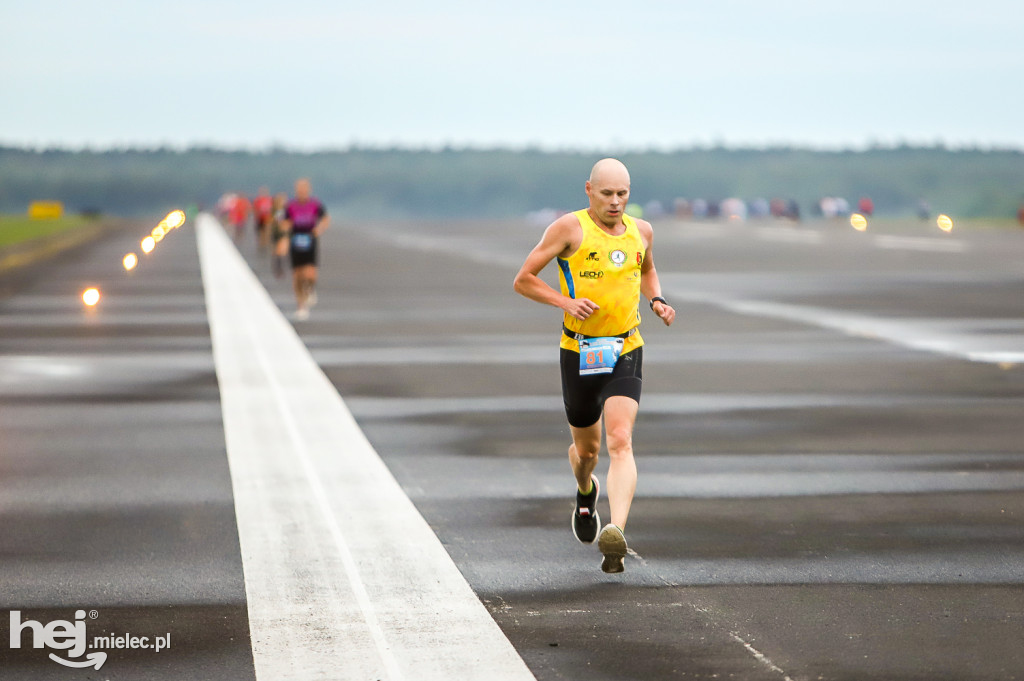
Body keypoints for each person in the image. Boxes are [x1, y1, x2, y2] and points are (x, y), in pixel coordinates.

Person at [513, 158, 675, 574]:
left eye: (623, 194)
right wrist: (565, 302)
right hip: (580, 352)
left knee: (621, 438)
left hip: (626, 346)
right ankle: (586, 491)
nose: (616, 202)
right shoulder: (569, 229)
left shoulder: (642, 231)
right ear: (589, 190)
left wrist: (656, 300)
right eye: (607, 194)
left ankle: (616, 532)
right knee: (588, 451)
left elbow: (648, 269)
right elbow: (524, 279)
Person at [280, 178, 329, 320]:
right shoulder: (290, 206)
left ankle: (311, 288)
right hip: (295, 241)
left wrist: (319, 229)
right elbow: (284, 221)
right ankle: (301, 306)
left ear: (308, 190)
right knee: (297, 276)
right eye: (299, 189)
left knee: (310, 273)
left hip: (310, 240)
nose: (301, 192)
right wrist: (284, 235)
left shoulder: (315, 204)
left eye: (304, 189)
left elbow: (325, 218)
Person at [252, 186, 274, 253]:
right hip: (260, 219)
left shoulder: (270, 200)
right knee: (261, 233)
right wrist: (256, 217)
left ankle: (265, 244)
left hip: (267, 219)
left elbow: (272, 209)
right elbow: (255, 209)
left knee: (267, 232)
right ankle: (262, 245)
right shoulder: (258, 200)